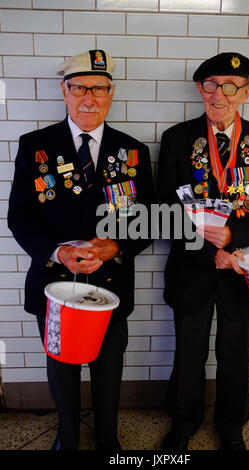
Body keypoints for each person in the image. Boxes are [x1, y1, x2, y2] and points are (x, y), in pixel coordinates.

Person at [8, 49, 154, 451]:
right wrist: (58, 252)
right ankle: (67, 437)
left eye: (100, 88)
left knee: (109, 369)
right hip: (55, 282)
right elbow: (19, 217)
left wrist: (117, 246)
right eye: (79, 88)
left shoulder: (134, 151)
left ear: (111, 94)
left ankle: (109, 439)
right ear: (64, 91)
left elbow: (150, 218)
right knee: (61, 368)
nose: (89, 98)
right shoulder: (35, 145)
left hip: (112, 281)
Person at [156, 52, 249, 451]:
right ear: (200, 89)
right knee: (189, 351)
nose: (220, 94)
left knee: (238, 353)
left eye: (230, 86)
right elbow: (165, 212)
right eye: (211, 85)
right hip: (193, 267)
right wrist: (209, 253)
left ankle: (232, 427)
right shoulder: (178, 140)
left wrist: (234, 239)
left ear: (246, 92)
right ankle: (183, 423)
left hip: (243, 268)